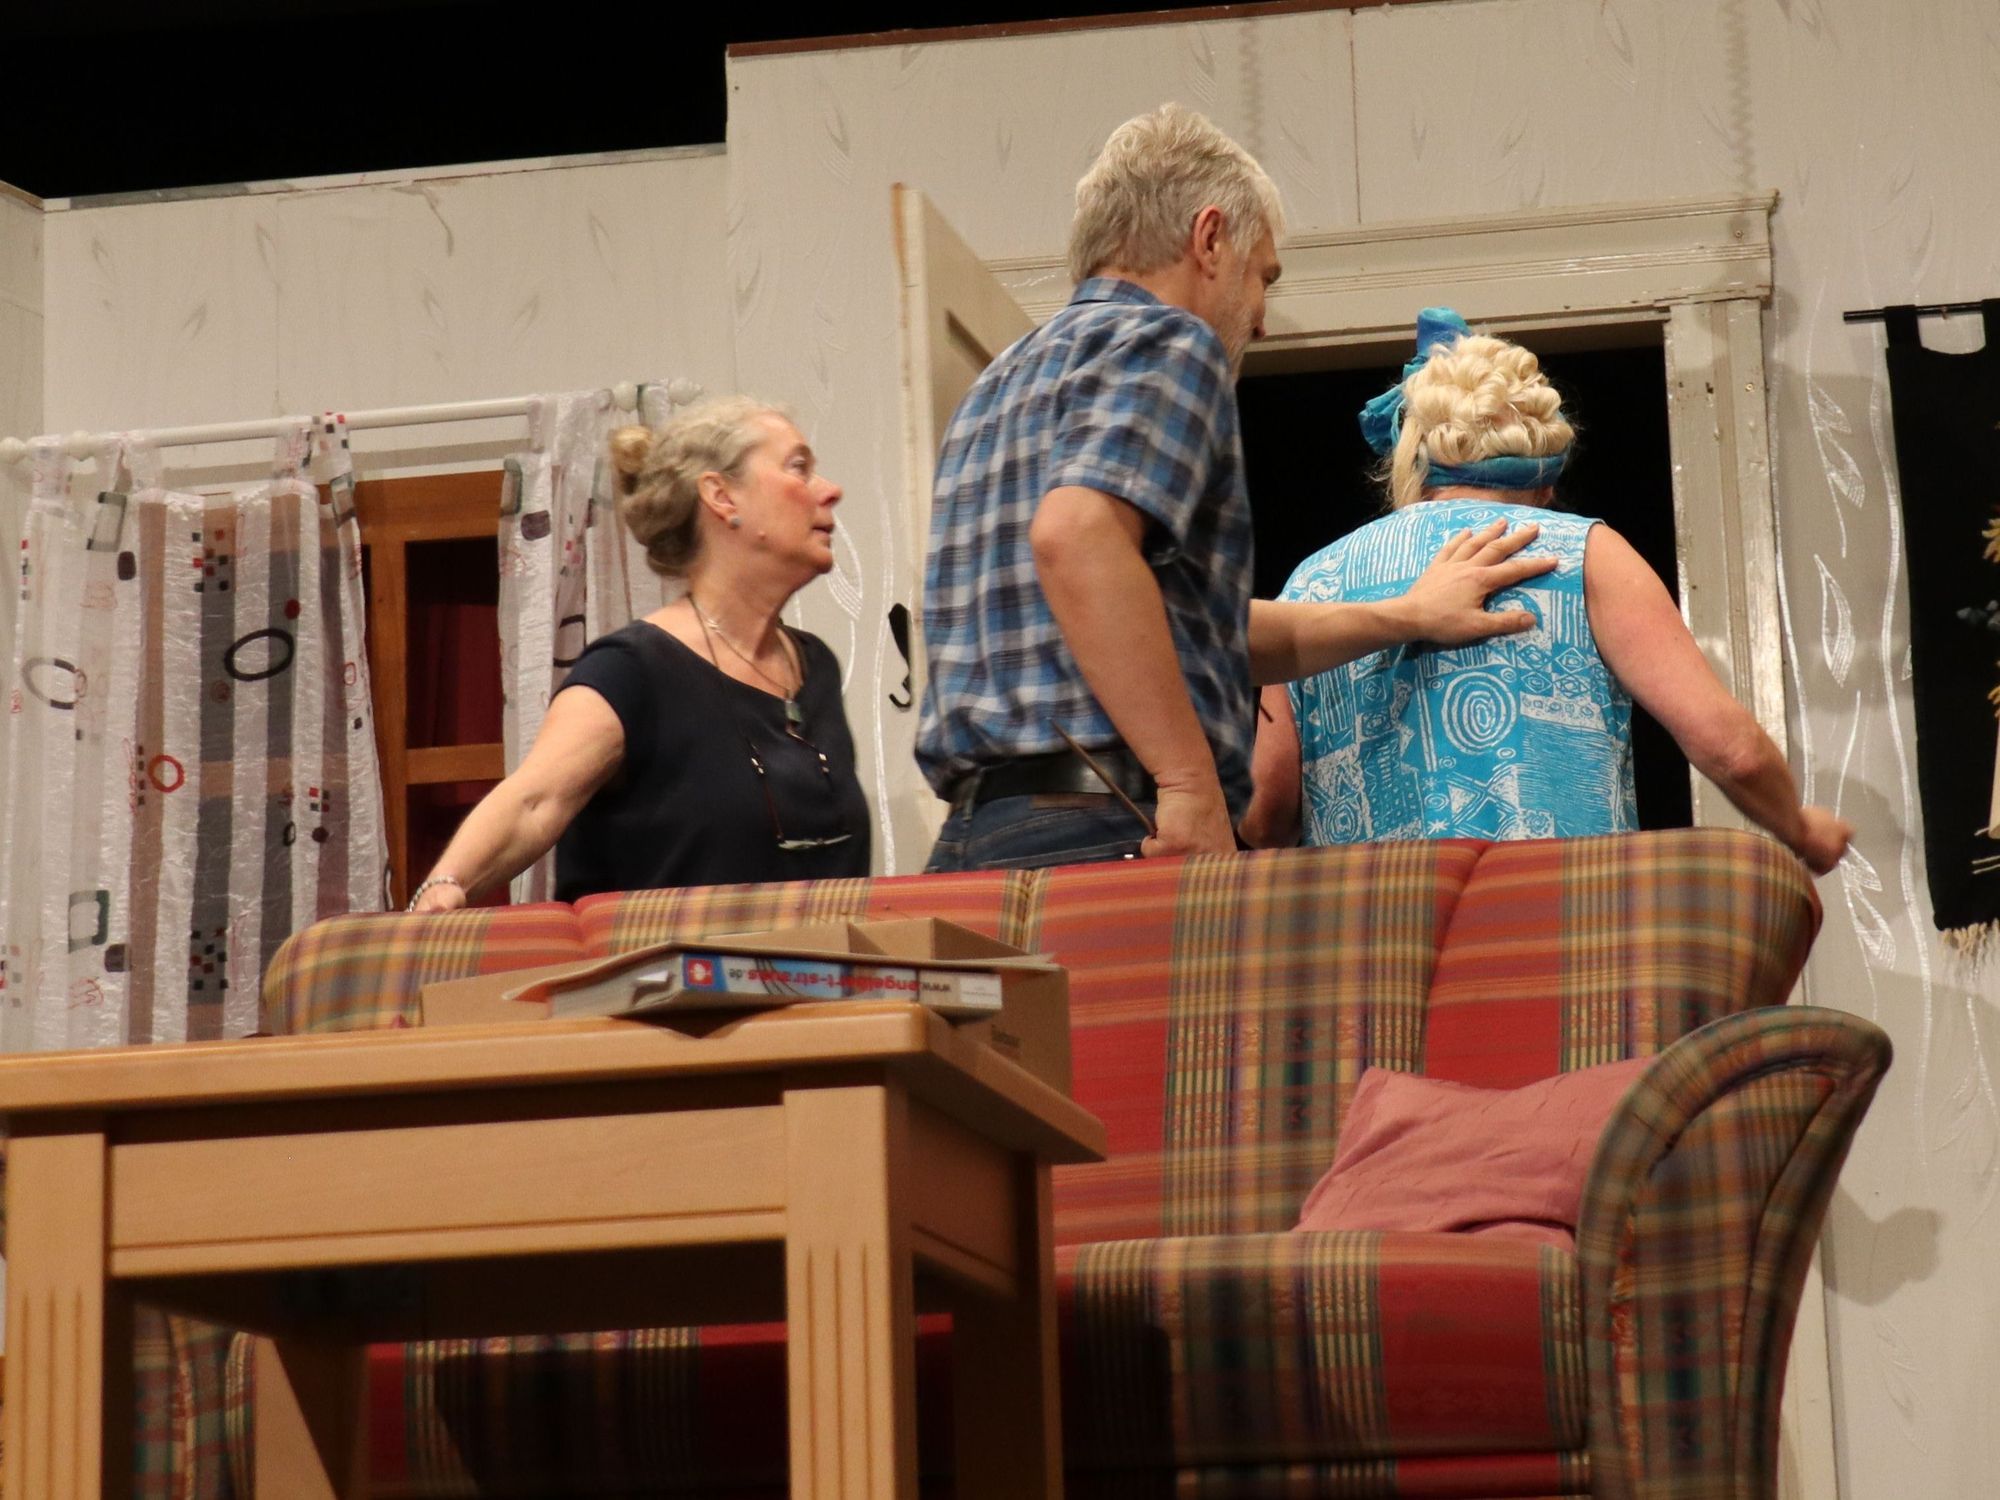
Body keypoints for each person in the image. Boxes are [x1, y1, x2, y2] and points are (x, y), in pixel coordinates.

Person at [916, 103, 1557, 873]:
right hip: (1110, 825)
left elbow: (1180, 627)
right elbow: (1077, 538)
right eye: (1264, 278)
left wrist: (1405, 615)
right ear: (1210, 238)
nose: (1261, 321)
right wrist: (1187, 783)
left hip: (974, 840)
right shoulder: (1168, 339)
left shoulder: (998, 382)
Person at [1246, 308, 1850, 874]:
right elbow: (1731, 750)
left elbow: (1268, 817)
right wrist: (1800, 829)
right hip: (1558, 922)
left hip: (1373, 932)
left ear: (1410, 460)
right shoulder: (1586, 555)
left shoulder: (1312, 583)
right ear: (1544, 483)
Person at [406, 397, 869, 912]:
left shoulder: (815, 667)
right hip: (672, 965)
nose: (830, 490)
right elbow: (534, 801)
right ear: (722, 497)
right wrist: (445, 886)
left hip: (822, 965)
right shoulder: (633, 670)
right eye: (798, 467)